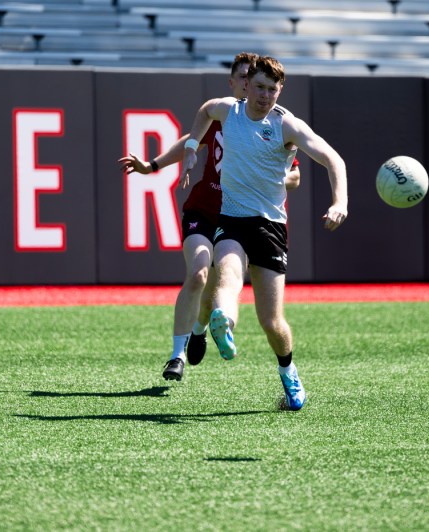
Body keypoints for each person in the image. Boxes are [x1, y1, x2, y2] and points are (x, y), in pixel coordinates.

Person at [117, 52, 301, 383]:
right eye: (245, 79)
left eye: (256, 80)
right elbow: (192, 140)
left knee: (221, 288)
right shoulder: (226, 113)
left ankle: (202, 328)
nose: (250, 86)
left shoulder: (273, 126)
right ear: (234, 83)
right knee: (200, 274)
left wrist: (271, 179)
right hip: (205, 211)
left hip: (243, 218)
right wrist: (154, 165)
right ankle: (177, 354)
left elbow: (295, 175)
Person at [180, 55, 348, 411]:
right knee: (227, 278)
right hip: (233, 219)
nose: (265, 95)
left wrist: (340, 202)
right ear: (246, 85)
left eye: (272, 89)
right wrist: (192, 149)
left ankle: (289, 373)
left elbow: (334, 159)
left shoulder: (287, 125)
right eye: (258, 87)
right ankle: (223, 323)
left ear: (280, 90)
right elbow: (204, 112)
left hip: (270, 227)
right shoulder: (229, 111)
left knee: (272, 321)